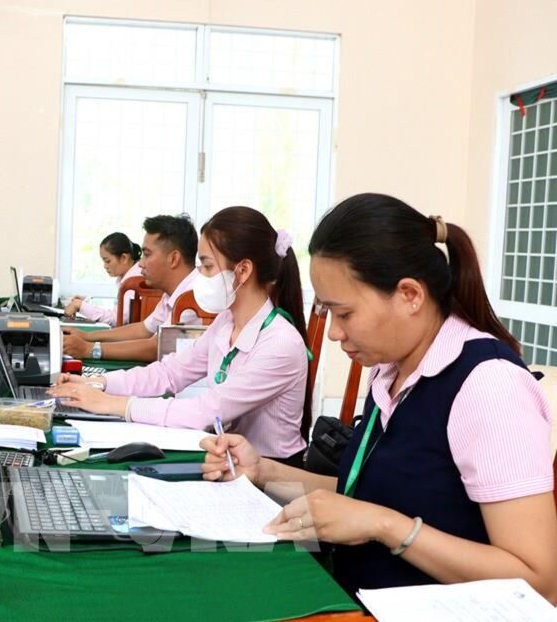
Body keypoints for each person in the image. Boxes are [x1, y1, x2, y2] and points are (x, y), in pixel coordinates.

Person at [200, 193, 557, 600]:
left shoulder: (488, 387)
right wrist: (264, 472)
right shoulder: (390, 369)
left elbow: (540, 582)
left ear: (410, 295)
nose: (334, 333)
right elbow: (364, 495)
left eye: (345, 313)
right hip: (351, 593)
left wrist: (385, 526)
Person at [51, 207, 311, 464]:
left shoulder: (280, 343)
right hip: (230, 459)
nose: (199, 276)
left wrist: (111, 404)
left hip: (269, 472)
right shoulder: (227, 321)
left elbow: (206, 412)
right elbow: (170, 372)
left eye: (207, 266)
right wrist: (98, 384)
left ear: (242, 271)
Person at [62, 214, 199, 363]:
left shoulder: (193, 296)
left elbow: (155, 348)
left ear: (173, 259)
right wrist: (88, 336)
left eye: (147, 254)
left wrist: (89, 349)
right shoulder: (171, 295)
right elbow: (143, 329)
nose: (140, 263)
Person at [63, 232, 143, 326]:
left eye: (108, 261)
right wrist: (86, 303)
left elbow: (117, 319)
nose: (105, 266)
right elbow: (117, 310)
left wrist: (80, 305)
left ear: (124, 258)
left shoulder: (135, 280)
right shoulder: (127, 277)